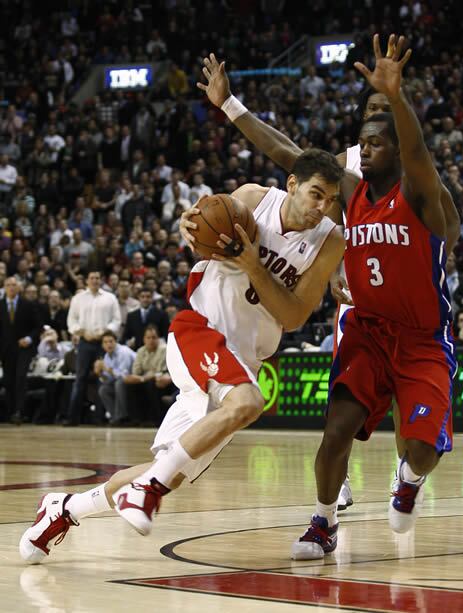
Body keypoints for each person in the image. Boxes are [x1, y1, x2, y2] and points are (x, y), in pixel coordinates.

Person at [19, 148, 345, 563]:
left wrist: (253, 266)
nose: (323, 207)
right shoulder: (251, 199)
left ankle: (64, 509)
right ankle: (147, 490)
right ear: (293, 185)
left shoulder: (331, 240)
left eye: (331, 199)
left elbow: (295, 316)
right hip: (200, 331)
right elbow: (198, 230)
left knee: (169, 468)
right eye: (316, 194)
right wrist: (189, 225)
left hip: (244, 359)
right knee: (249, 403)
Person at [196, 49, 460, 507]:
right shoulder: (348, 172)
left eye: (387, 110)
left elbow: (444, 232)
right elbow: (291, 161)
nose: (378, 119)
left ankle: (409, 475)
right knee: (339, 419)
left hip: (414, 318)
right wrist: (230, 105)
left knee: (410, 416)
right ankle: (332, 497)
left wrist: (409, 264)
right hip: (361, 309)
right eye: (372, 112)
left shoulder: (417, 176)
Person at [65, 270, 121, 426]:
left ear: (101, 280)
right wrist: (81, 331)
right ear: (87, 280)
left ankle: (99, 418)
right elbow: (71, 321)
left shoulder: (110, 298)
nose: (95, 280)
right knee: (80, 378)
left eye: (97, 277)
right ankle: (72, 418)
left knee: (101, 379)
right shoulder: (78, 298)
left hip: (103, 342)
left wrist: (104, 331)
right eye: (92, 278)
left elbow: (117, 320)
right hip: (84, 341)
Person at [0, 277, 40, 423]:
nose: (11, 287)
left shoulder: (27, 305)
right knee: (8, 380)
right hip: (5, 350)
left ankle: (19, 411)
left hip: (24, 348)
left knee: (21, 377)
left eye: (14, 285)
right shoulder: (0, 305)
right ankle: (11, 411)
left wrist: (29, 338)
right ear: (4, 288)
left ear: (18, 288)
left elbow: (38, 327)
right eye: (8, 285)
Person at [124, 324, 173, 425]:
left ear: (158, 338)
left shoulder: (164, 349)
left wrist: (145, 376)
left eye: (154, 337)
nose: (151, 340)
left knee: (152, 384)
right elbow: (136, 371)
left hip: (164, 381)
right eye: (148, 337)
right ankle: (136, 419)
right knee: (130, 385)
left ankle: (154, 419)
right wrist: (144, 377)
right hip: (145, 379)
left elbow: (160, 372)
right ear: (144, 339)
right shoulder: (140, 351)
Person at [95, 330, 135, 426]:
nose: (109, 344)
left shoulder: (123, 352)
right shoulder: (106, 356)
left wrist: (106, 369)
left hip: (135, 379)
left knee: (119, 383)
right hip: (122, 381)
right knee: (103, 389)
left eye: (111, 341)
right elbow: (109, 379)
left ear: (116, 342)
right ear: (102, 345)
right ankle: (115, 418)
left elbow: (123, 375)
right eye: (105, 342)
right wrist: (100, 374)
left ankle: (122, 417)